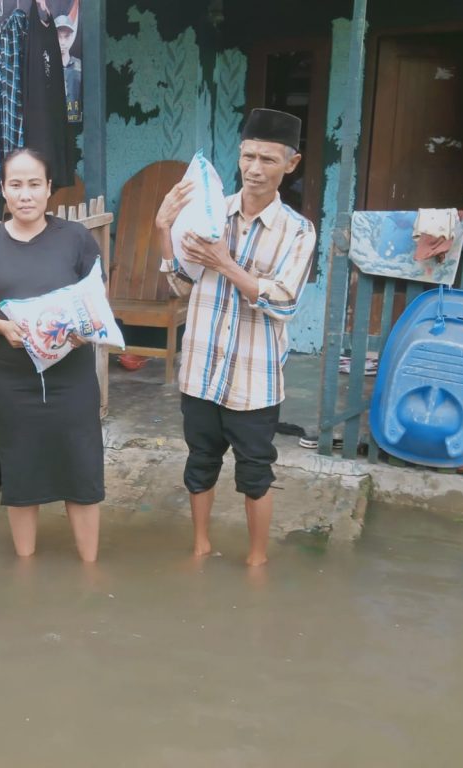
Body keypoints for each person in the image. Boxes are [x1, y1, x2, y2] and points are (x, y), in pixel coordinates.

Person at [155, 108, 317, 567]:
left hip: (255, 380)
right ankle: (201, 546)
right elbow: (180, 284)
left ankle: (257, 560)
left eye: (268, 159)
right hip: (202, 370)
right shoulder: (208, 212)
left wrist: (225, 262)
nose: (254, 169)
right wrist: (164, 229)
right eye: (248, 156)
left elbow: (283, 301)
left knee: (255, 474)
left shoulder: (299, 232)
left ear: (292, 163)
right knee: (199, 463)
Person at [0, 148, 104, 562]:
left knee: (81, 468)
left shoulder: (76, 238)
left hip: (72, 378)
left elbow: (97, 300)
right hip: (13, 380)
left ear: (49, 189)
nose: (25, 194)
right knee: (22, 471)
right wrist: (3, 327)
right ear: (3, 190)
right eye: (16, 185)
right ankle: (25, 567)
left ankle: (89, 567)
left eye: (34, 184)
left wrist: (78, 333)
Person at [55, 15, 82, 123]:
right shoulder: (47, 66)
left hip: (76, 123)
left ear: (72, 37)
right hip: (55, 125)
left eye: (66, 36)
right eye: (58, 36)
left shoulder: (79, 65)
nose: (62, 42)